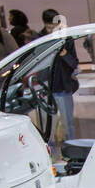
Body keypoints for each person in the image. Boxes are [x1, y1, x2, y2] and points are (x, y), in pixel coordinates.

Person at [37, 9, 78, 150]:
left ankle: (71, 149)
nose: (50, 31)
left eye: (52, 27)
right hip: (45, 87)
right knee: (48, 125)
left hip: (63, 86)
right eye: (47, 27)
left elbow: (74, 63)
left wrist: (64, 54)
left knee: (68, 123)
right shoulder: (40, 39)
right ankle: (49, 152)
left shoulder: (67, 38)